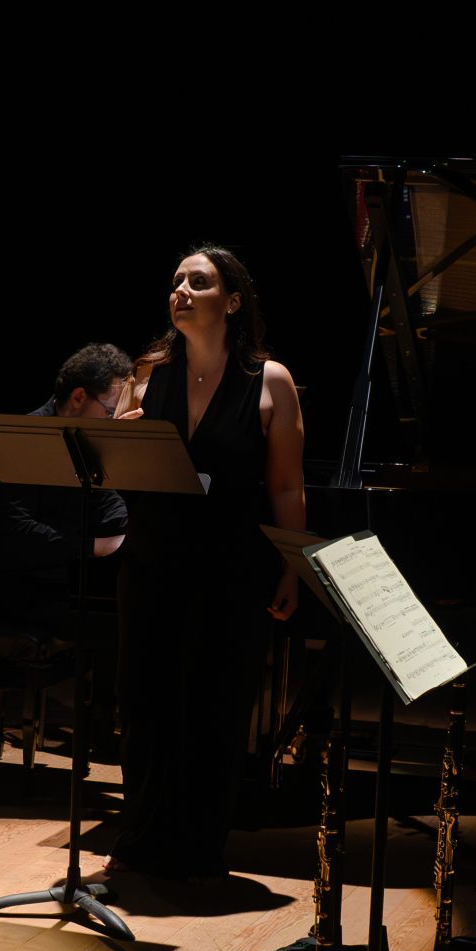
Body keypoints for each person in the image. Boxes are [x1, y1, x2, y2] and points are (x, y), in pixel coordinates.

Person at [105, 246, 306, 879]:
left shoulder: (270, 381)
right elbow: (118, 477)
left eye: (199, 281)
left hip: (231, 567)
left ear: (233, 301)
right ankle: (140, 838)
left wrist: (293, 567)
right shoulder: (146, 374)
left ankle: (196, 849)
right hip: (154, 560)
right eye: (176, 282)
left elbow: (286, 487)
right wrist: (117, 441)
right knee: (145, 701)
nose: (182, 291)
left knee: (216, 705)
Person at [0, 342, 135, 637]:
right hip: (15, 591)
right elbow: (15, 531)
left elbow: (107, 504)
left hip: (58, 586)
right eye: (110, 411)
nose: (112, 422)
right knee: (113, 632)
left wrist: (139, 529)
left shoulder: (84, 442)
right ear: (78, 397)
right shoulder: (19, 439)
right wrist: (91, 546)